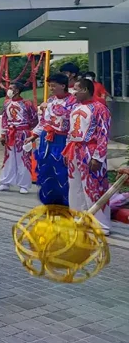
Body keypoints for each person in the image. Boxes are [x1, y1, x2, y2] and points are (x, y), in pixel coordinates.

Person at [66, 78, 111, 233]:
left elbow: (104, 134)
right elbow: (70, 131)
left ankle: (101, 224)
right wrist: (67, 150)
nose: (73, 92)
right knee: (75, 186)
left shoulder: (100, 108)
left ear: (85, 90)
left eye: (76, 89)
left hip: (90, 151)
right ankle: (79, 218)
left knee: (94, 187)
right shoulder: (74, 107)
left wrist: (98, 156)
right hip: (74, 150)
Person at [26, 73, 76, 206]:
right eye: (50, 86)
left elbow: (73, 125)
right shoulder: (50, 101)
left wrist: (70, 145)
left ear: (63, 85)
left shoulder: (73, 102)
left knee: (62, 170)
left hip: (63, 139)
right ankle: (50, 201)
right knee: (47, 169)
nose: (51, 88)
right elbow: (43, 121)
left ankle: (65, 202)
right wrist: (34, 135)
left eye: (53, 86)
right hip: (47, 139)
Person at [0, 82, 37, 194]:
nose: (8, 90)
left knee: (24, 158)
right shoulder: (6, 103)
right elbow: (4, 119)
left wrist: (28, 131)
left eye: (11, 88)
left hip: (23, 133)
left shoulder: (27, 104)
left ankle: (24, 185)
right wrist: (3, 134)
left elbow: (34, 118)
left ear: (17, 91)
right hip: (10, 133)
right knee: (8, 158)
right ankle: (5, 182)